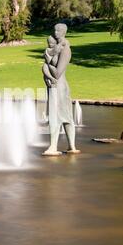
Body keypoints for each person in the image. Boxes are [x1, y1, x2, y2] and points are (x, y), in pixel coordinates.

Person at [42, 24, 80, 156]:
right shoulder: (54, 48)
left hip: (61, 87)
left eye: (58, 30)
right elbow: (48, 62)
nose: (55, 32)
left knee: (64, 116)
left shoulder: (66, 50)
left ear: (64, 32)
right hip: (53, 87)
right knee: (56, 115)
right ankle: (63, 146)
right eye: (54, 30)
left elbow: (58, 73)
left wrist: (47, 65)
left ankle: (65, 146)